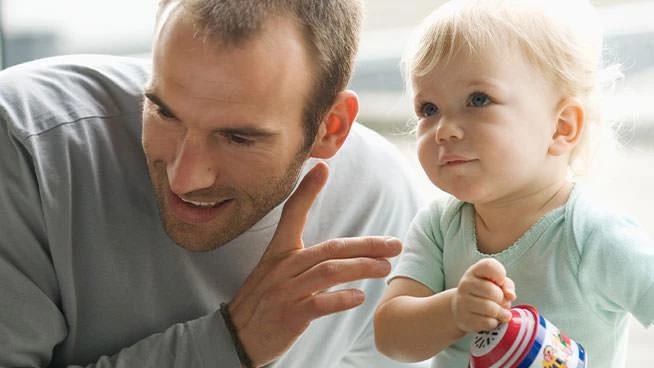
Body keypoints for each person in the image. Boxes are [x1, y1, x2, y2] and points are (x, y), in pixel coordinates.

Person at [0, 0, 424, 367]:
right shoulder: (22, 145)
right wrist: (231, 344)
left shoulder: (379, 203)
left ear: (330, 128)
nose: (184, 177)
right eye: (163, 112)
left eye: (238, 137)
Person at [373, 0, 654, 367]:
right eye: (429, 108)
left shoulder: (593, 235)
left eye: (478, 100)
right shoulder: (440, 229)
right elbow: (390, 337)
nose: (444, 129)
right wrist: (454, 311)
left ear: (561, 127)